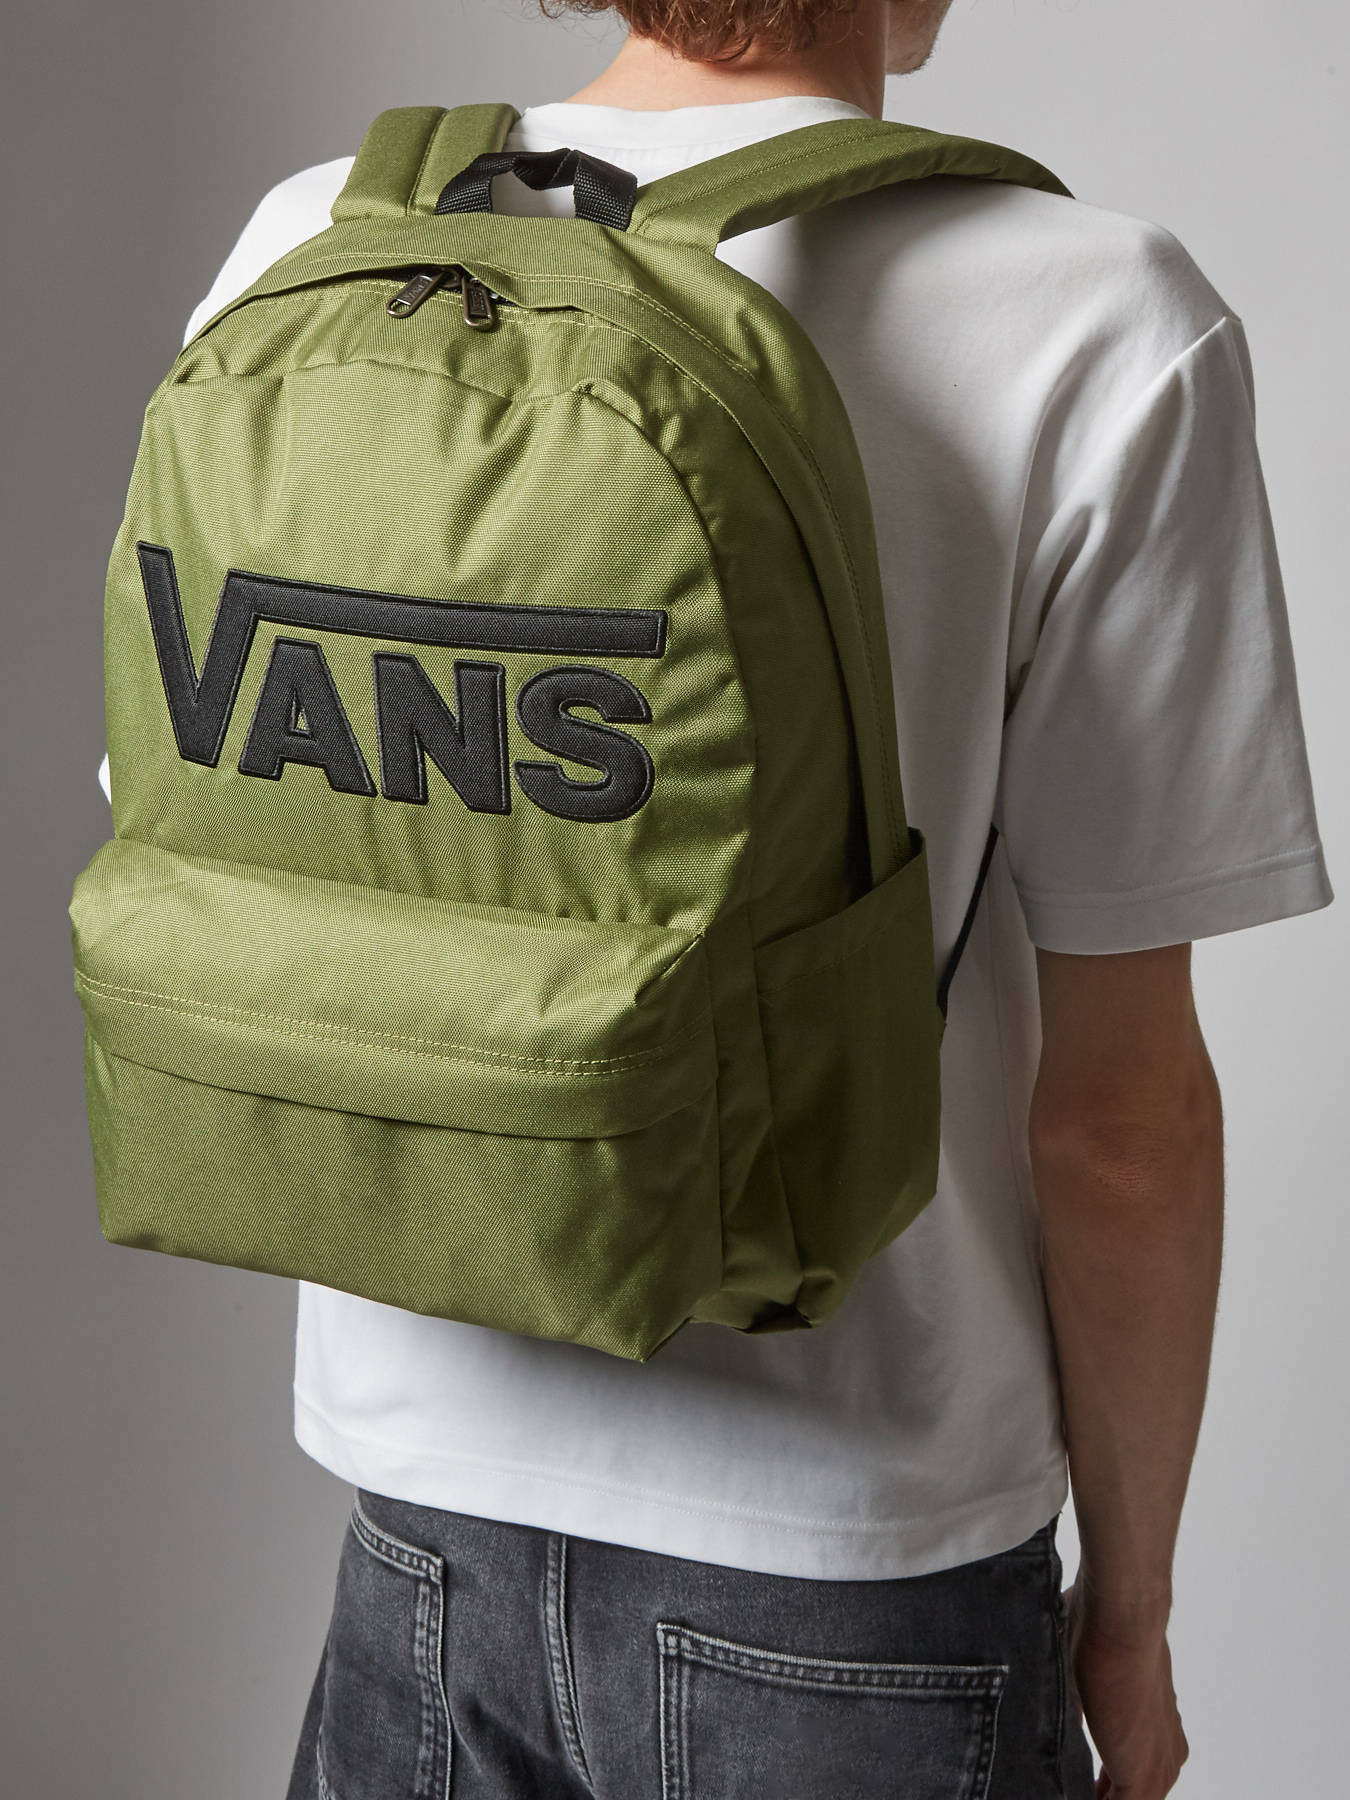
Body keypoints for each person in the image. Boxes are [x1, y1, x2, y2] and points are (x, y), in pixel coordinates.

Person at [152, 2, 1330, 1795]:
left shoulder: (324, 238)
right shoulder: (1090, 310)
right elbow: (1120, 1124)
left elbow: (197, 831)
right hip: (857, 1560)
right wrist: (1132, 1618)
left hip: (416, 1525)